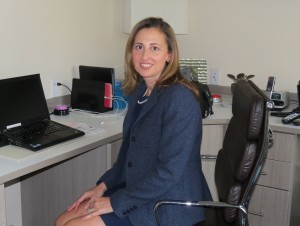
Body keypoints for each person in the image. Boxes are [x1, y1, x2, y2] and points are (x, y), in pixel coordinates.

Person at [55, 17, 211, 226]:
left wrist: (115, 202)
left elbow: (168, 173)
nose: (145, 55)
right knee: (62, 220)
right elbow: (128, 156)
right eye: (139, 47)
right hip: (141, 189)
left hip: (168, 204)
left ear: (169, 55)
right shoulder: (140, 91)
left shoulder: (179, 98)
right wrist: (101, 187)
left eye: (154, 48)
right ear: (131, 52)